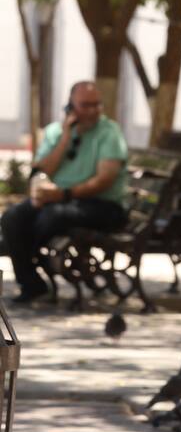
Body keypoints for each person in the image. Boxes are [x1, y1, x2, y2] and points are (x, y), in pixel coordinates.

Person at [1, 81, 129, 304]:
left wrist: (64, 194)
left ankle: (20, 255)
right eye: (85, 105)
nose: (91, 111)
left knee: (52, 216)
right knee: (12, 217)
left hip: (101, 205)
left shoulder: (110, 132)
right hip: (59, 200)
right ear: (70, 106)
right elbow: (42, 170)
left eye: (96, 105)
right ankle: (31, 285)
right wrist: (65, 138)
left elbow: (104, 180)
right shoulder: (55, 131)